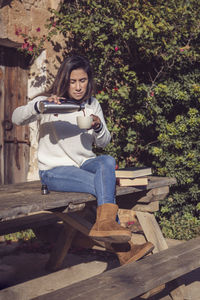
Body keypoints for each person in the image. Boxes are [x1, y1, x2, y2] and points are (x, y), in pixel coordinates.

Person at [12, 54, 154, 264]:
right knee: (101, 185)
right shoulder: (48, 103)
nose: (78, 87)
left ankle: (105, 225)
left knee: (106, 160)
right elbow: (16, 118)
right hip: (54, 170)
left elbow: (104, 142)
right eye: (72, 81)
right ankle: (125, 249)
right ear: (64, 81)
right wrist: (38, 106)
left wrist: (98, 126)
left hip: (85, 163)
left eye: (82, 80)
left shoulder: (92, 104)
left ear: (89, 80)